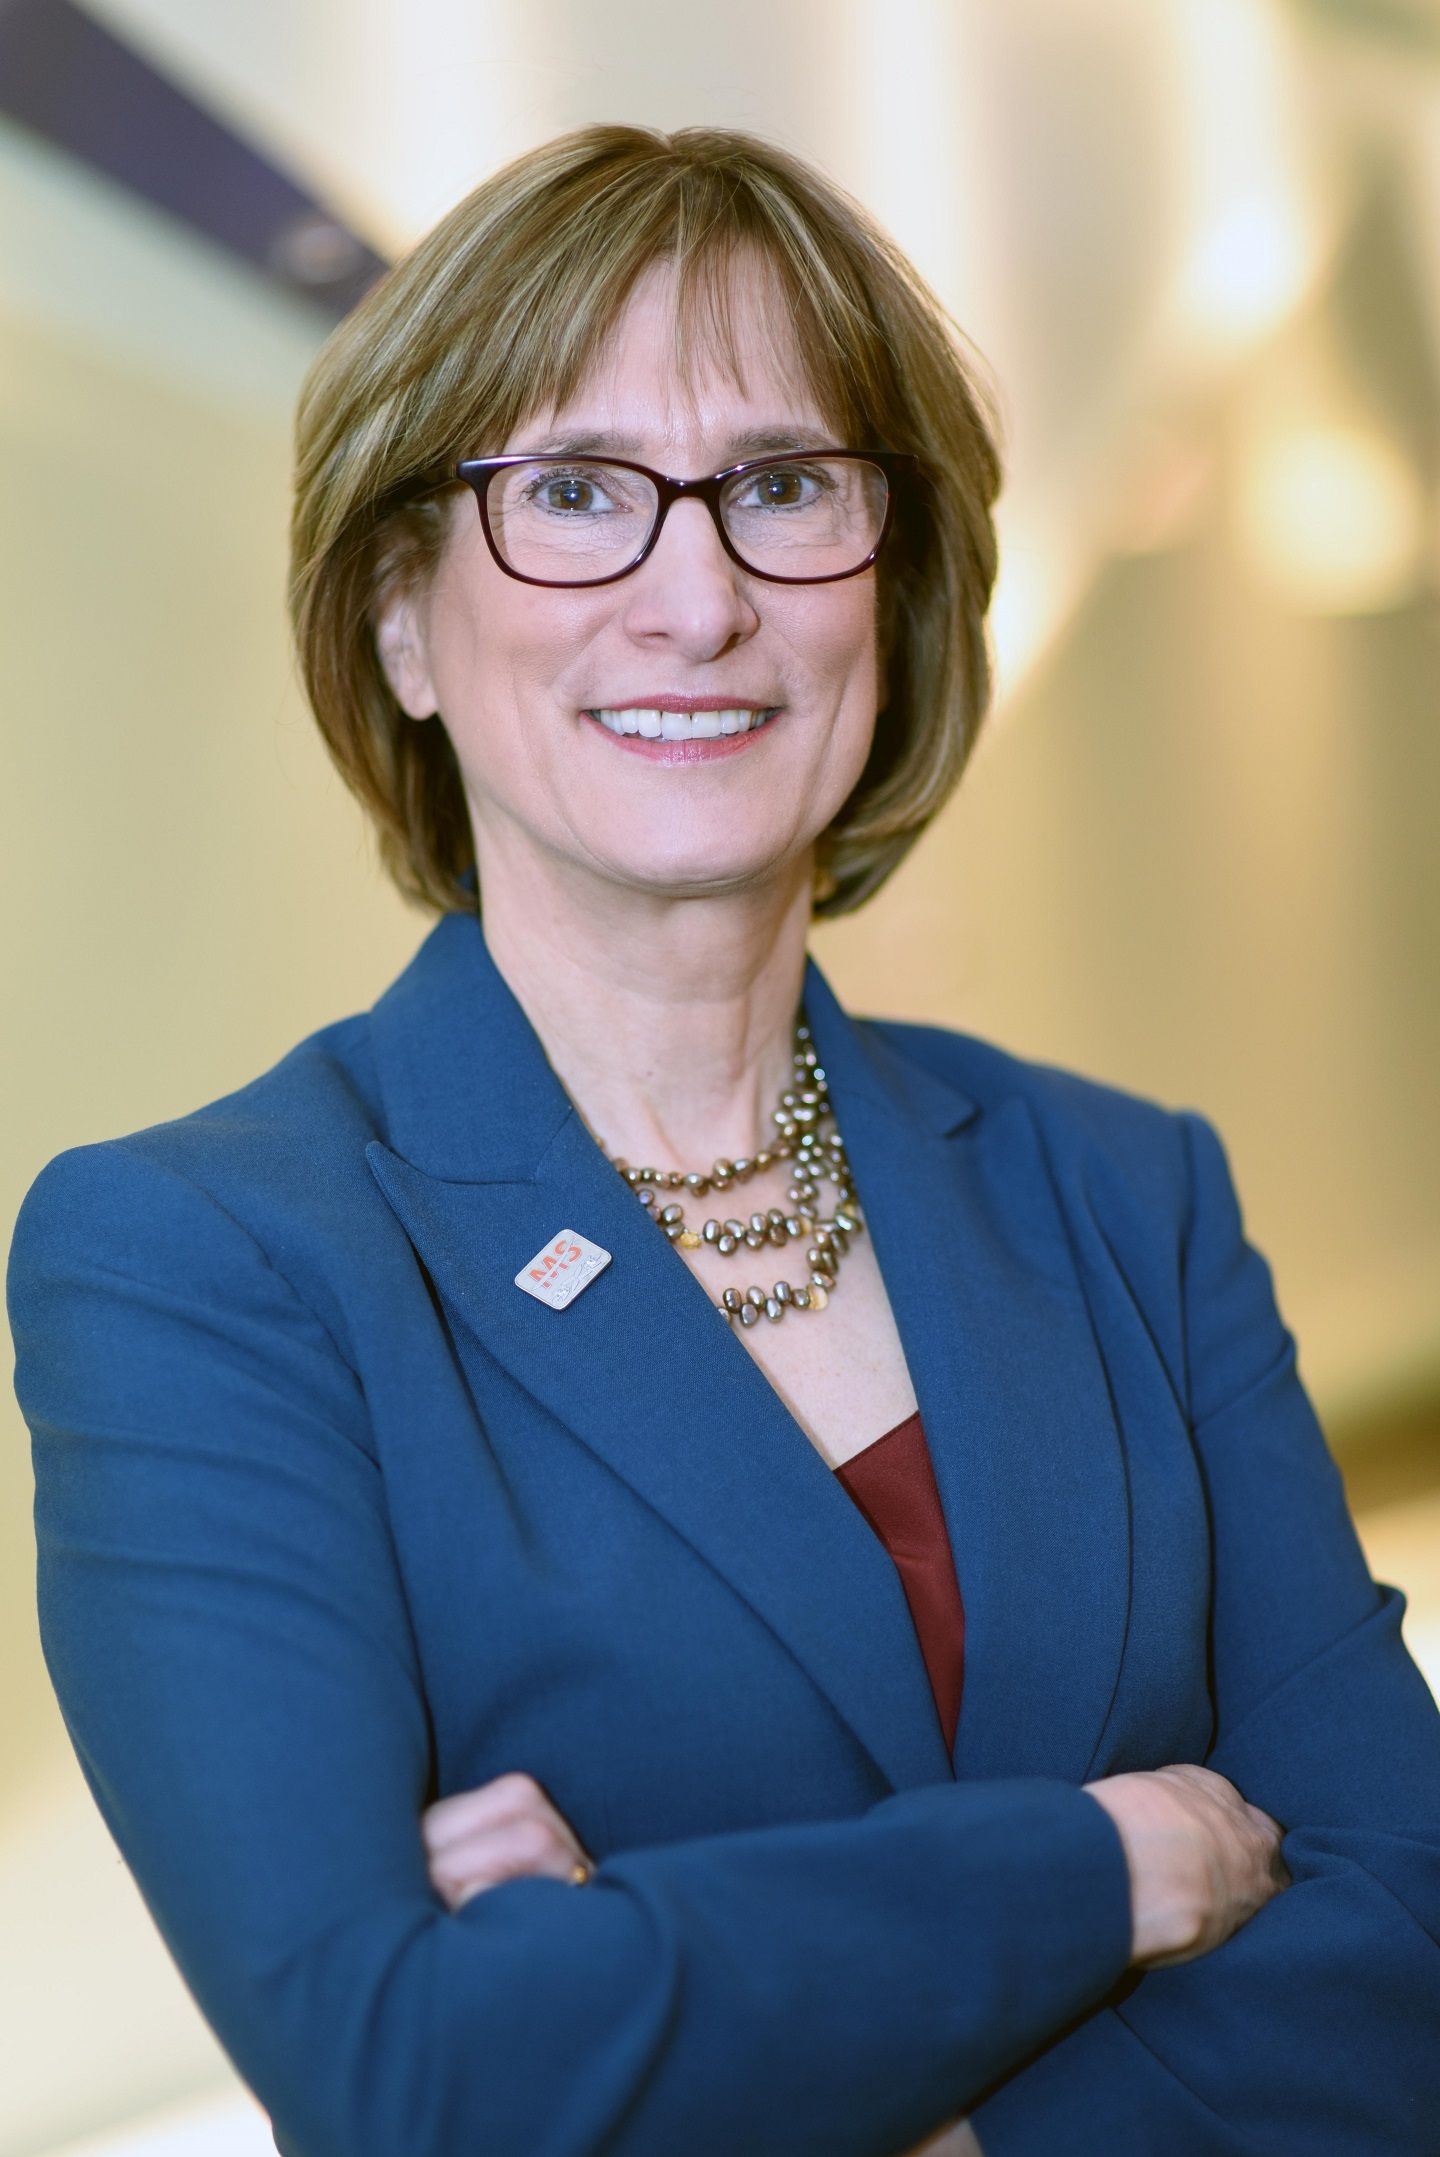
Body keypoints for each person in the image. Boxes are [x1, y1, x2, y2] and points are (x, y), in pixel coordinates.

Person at [7, 121, 1439, 2157]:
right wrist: (1109, 1867)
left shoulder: (1132, 1190)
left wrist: (758, 2035)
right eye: (577, 493)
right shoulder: (201, 1263)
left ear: (898, 588)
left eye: (783, 488)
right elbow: (420, 2076)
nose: (699, 598)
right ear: (406, 621)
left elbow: (1419, 1939)